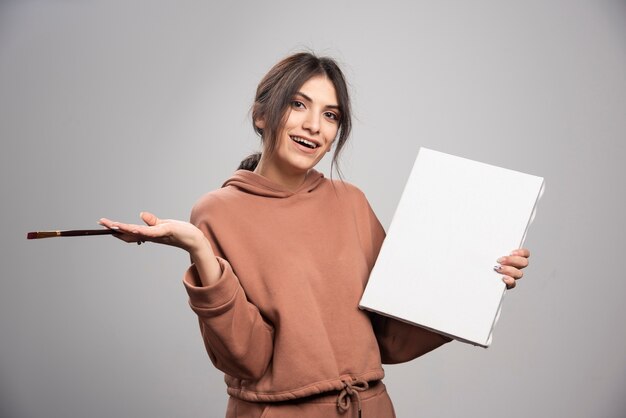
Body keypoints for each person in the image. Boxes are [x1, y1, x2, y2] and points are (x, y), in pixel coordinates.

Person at [99, 52, 530, 418]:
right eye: (299, 105)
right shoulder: (217, 211)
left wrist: (481, 280)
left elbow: (391, 338)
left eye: (330, 115)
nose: (314, 126)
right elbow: (246, 358)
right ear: (263, 114)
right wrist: (198, 249)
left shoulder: (351, 202)